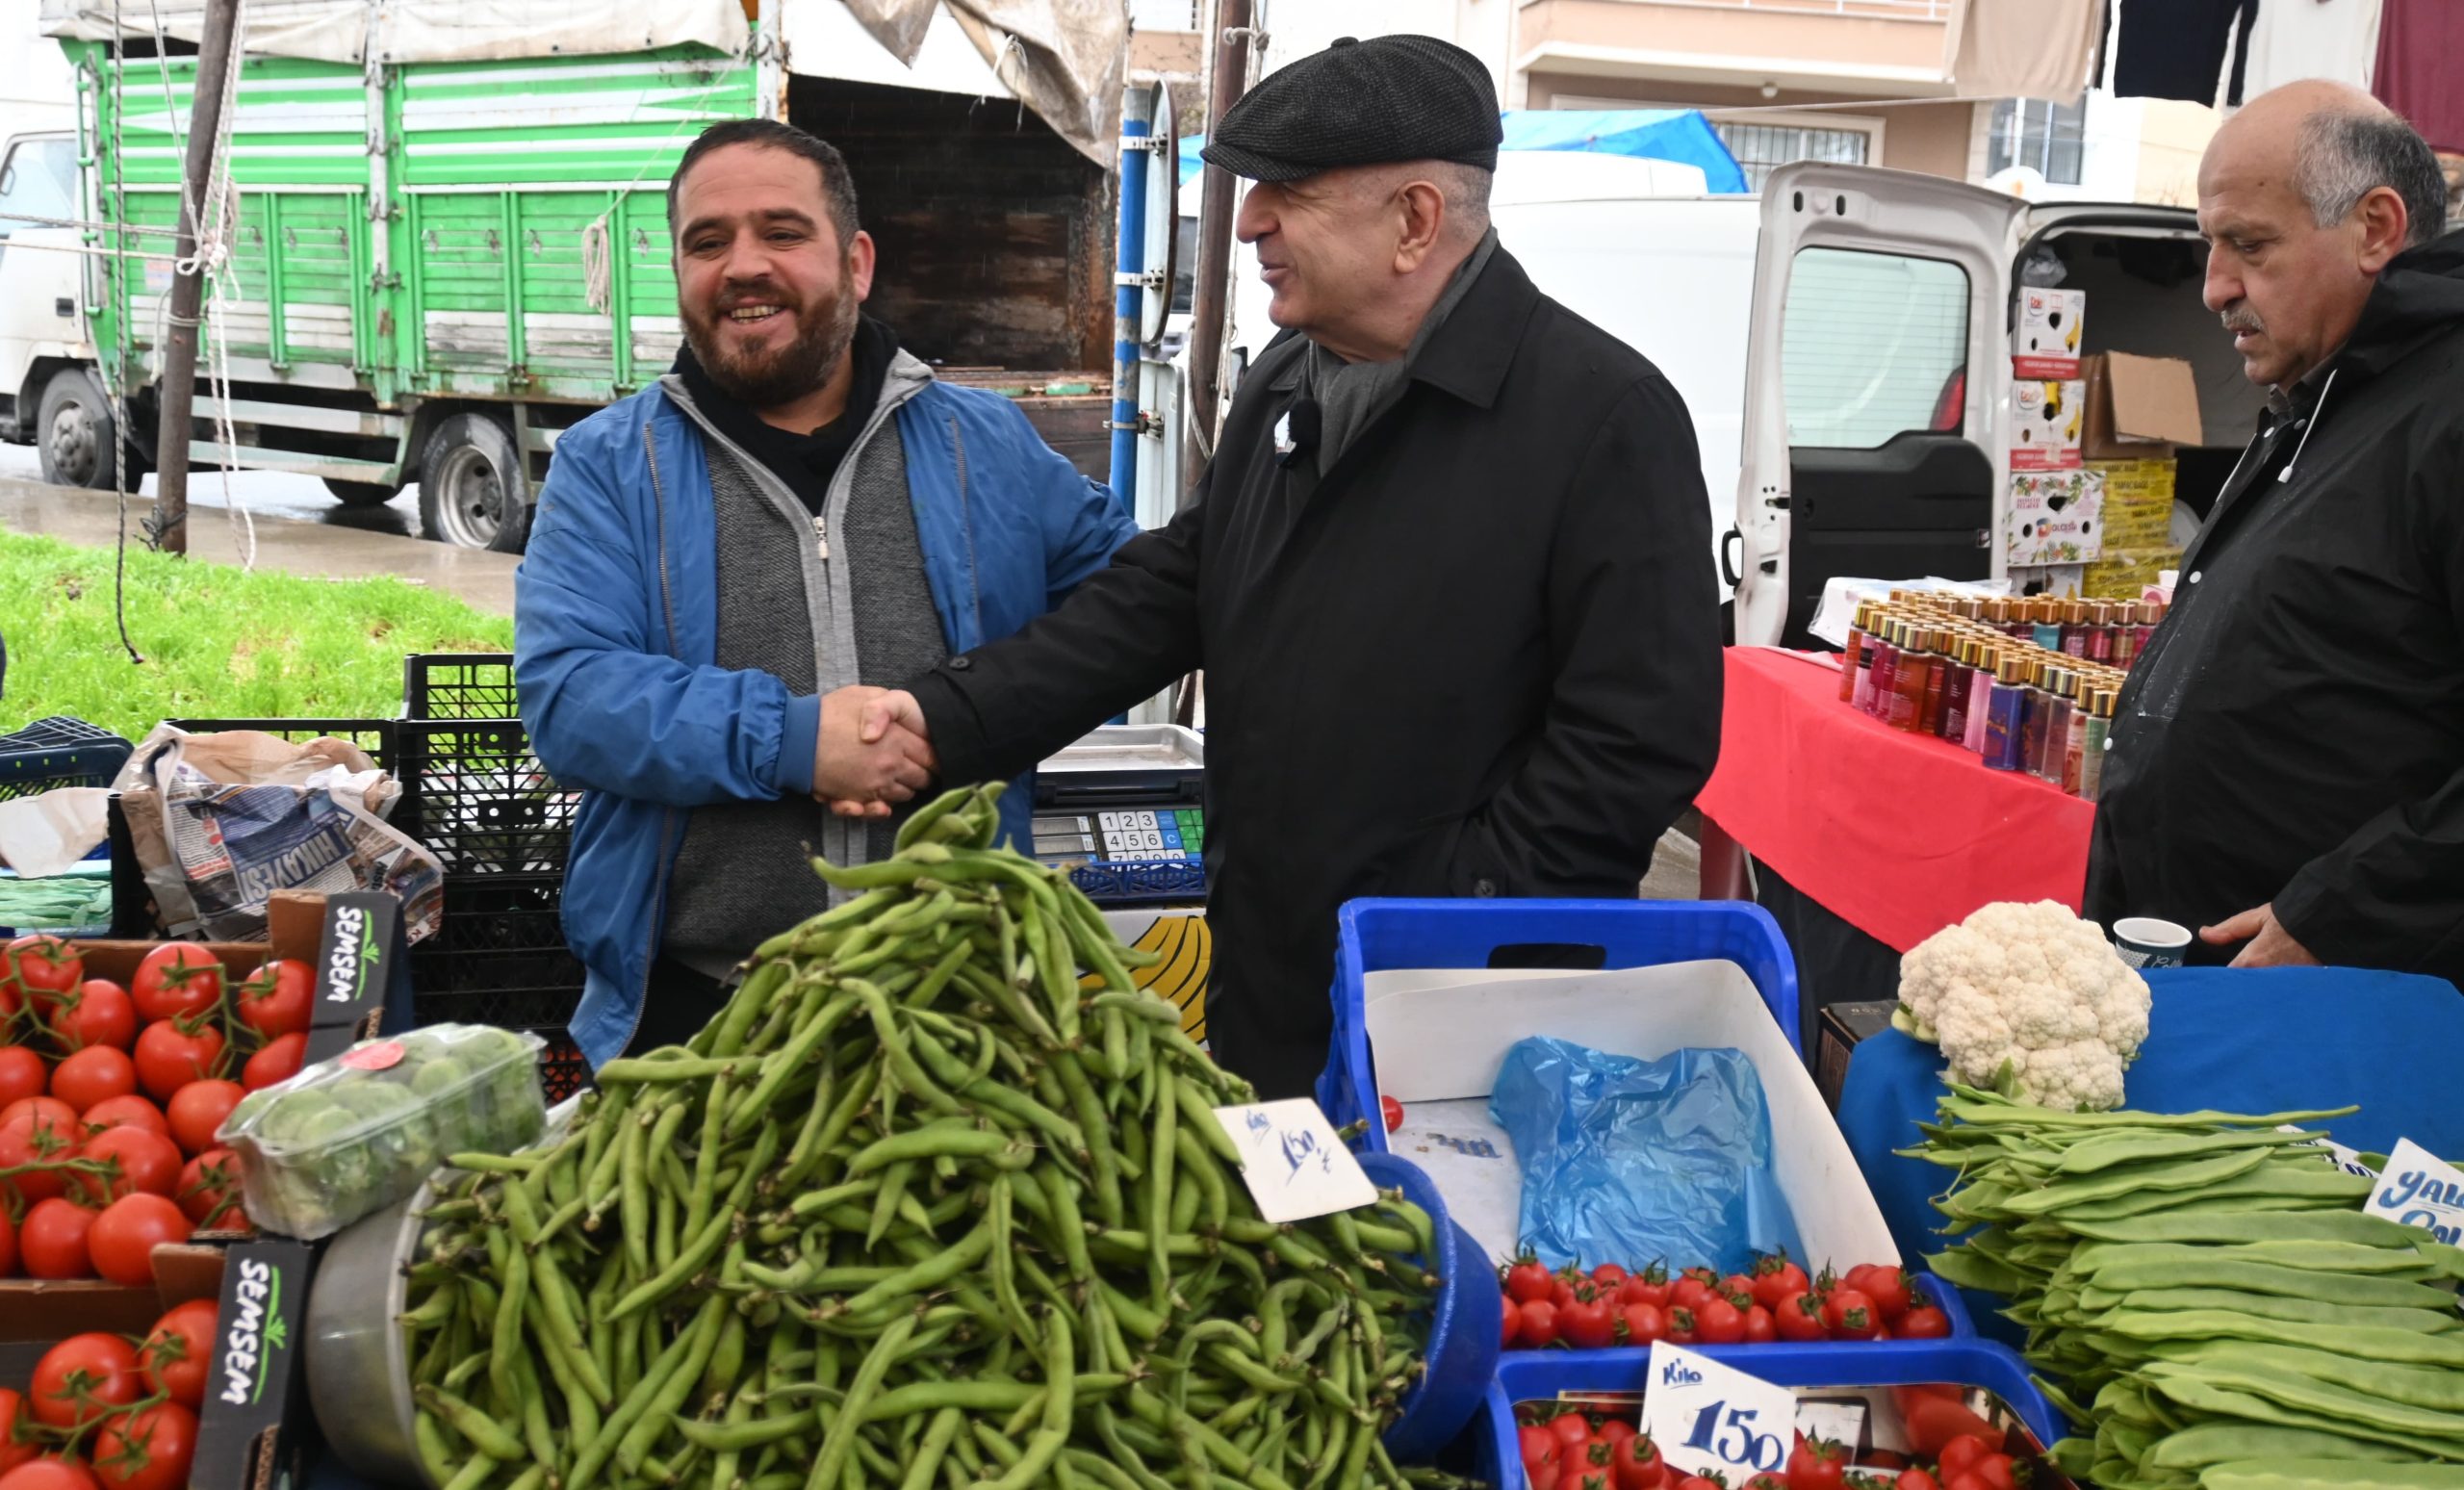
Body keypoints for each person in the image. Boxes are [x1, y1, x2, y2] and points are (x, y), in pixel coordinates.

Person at [834, 36, 1724, 1097]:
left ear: (1414, 221)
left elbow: (1637, 739)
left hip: (1464, 1015)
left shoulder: (1603, 416)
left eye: (1286, 191)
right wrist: (942, 720)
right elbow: (1171, 592)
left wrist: (1444, 907)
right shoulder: (1286, 383)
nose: (1249, 221)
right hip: (1270, 977)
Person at [515, 118, 1139, 1066]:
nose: (743, 266)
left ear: (856, 263)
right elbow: (570, 698)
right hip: (698, 1009)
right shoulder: (609, 464)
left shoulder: (984, 444)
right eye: (708, 242)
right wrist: (797, 742)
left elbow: (1128, 609)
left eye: (782, 232)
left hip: (959, 998)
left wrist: (965, 713)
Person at [2085, 82, 2464, 984]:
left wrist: (2341, 912)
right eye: (2211, 247)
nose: (2215, 287)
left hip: (2345, 1001)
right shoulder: (2324, 396)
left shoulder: (2447, 411)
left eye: (2250, 246)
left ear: (2375, 229)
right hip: (2214, 974)